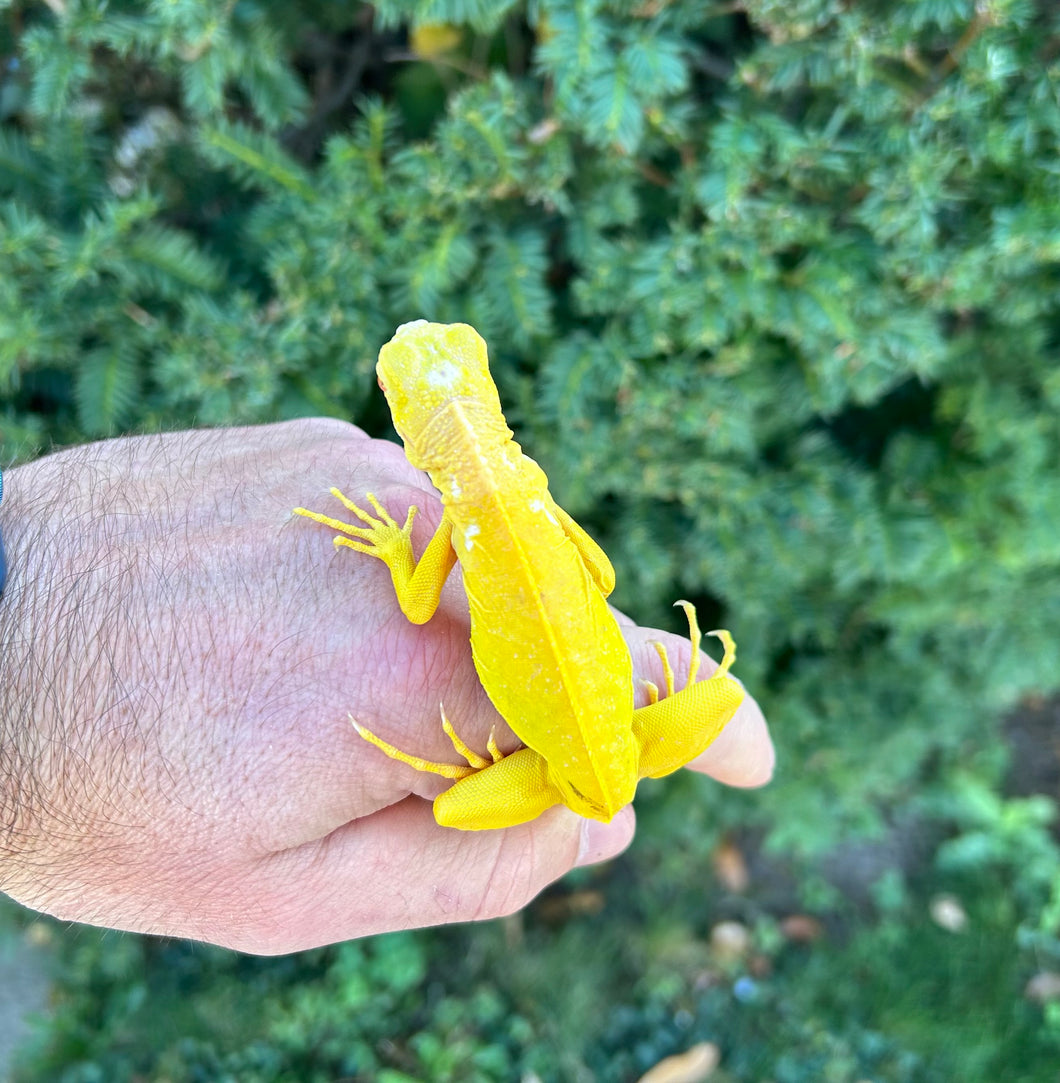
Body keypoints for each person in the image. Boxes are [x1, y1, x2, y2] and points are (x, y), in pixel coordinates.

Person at [0, 420, 773, 955]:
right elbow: (599, 577)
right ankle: (681, 689)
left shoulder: (459, 522)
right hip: (625, 739)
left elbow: (414, 602)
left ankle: (495, 763)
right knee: (719, 699)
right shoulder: (531, 492)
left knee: (451, 800)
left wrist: (397, 543)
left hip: (556, 770)